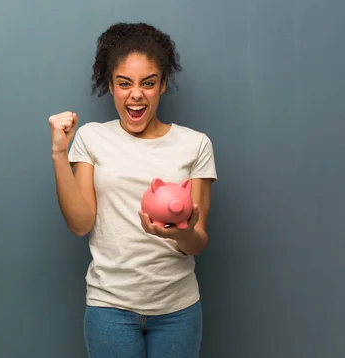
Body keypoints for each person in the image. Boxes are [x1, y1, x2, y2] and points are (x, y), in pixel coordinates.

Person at [48, 22, 217, 358]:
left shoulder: (195, 144)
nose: (136, 94)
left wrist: (178, 232)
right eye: (124, 84)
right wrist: (58, 153)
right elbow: (81, 223)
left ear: (163, 85)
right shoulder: (92, 138)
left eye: (148, 83)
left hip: (177, 310)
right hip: (110, 307)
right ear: (110, 86)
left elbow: (197, 243)